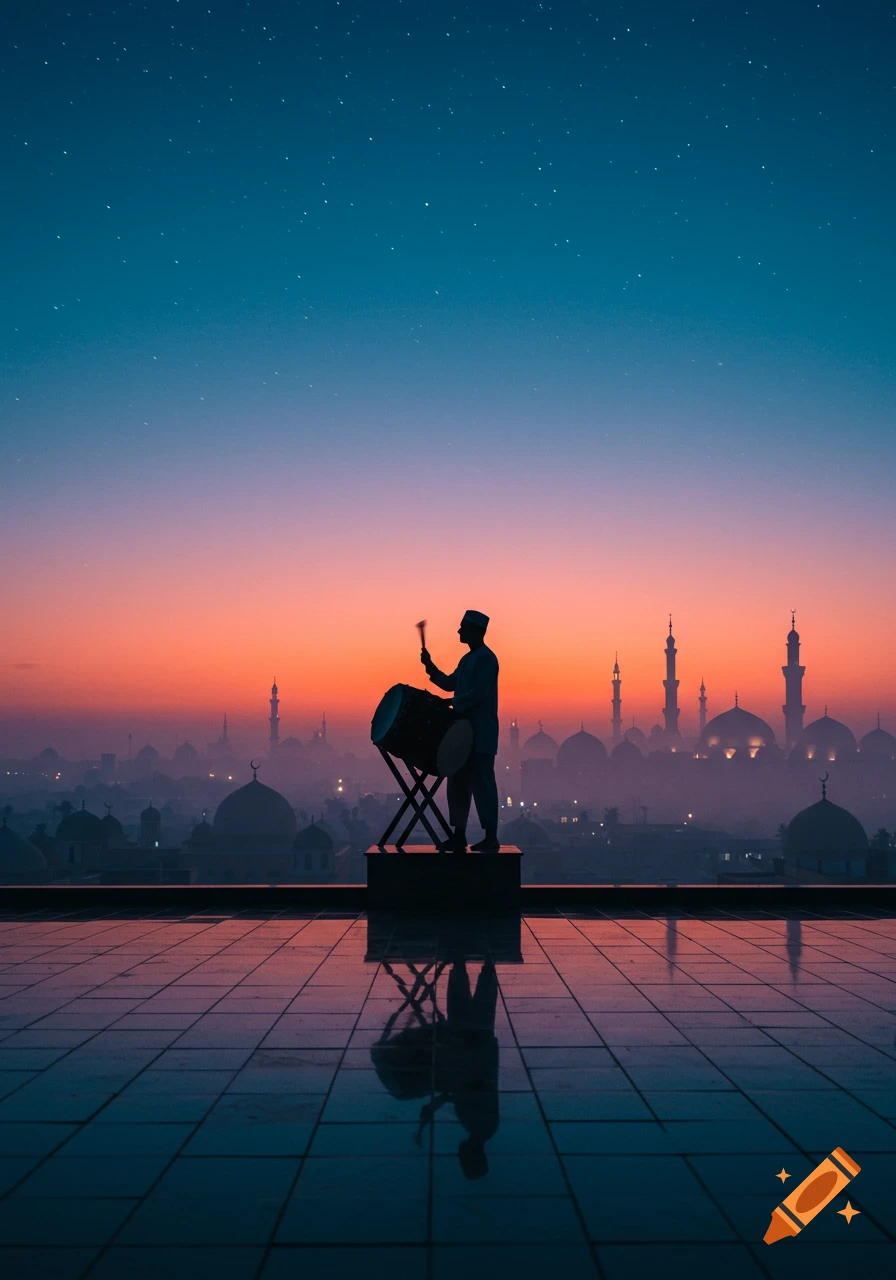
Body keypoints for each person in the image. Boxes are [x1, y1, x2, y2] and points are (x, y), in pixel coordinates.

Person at [421, 608, 499, 852]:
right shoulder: (467, 660)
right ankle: (459, 834)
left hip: (481, 732)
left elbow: (479, 693)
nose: (458, 631)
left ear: (476, 631)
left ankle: (490, 836)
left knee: (483, 785)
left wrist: (454, 702)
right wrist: (430, 667)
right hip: (463, 734)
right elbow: (449, 684)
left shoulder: (486, 659)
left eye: (463, 628)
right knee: (458, 783)